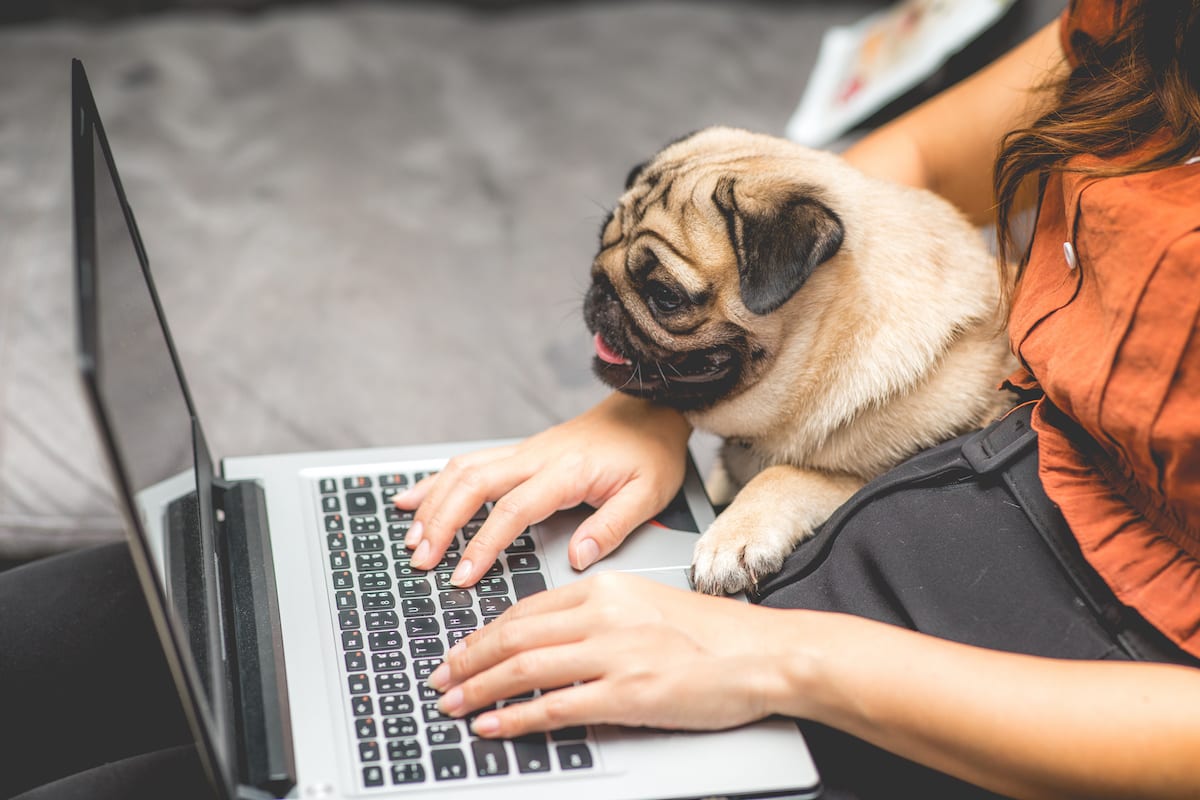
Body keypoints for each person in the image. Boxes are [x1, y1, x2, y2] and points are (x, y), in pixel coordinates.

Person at [389, 2, 1200, 798]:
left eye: (665, 295)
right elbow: (914, 158)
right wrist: (644, 410)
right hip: (998, 479)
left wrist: (770, 659)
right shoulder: (1151, 20)